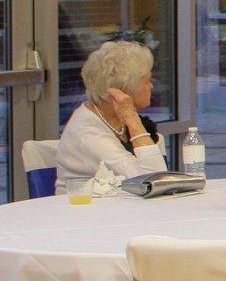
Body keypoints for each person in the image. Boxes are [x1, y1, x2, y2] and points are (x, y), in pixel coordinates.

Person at [55, 41, 168, 192]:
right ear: (124, 89)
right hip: (85, 206)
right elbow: (153, 181)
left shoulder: (118, 121)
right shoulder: (87, 132)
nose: (151, 86)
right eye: (147, 81)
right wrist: (132, 118)